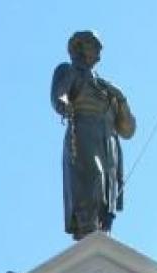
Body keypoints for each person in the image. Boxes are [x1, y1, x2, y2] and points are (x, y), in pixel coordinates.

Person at [50, 30, 136, 239]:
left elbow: (127, 130)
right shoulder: (69, 70)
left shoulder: (106, 87)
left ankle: (101, 235)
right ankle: (88, 232)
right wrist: (64, 104)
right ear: (79, 46)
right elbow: (59, 95)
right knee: (93, 179)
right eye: (93, 44)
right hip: (84, 133)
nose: (99, 49)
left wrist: (122, 99)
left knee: (108, 193)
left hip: (109, 142)